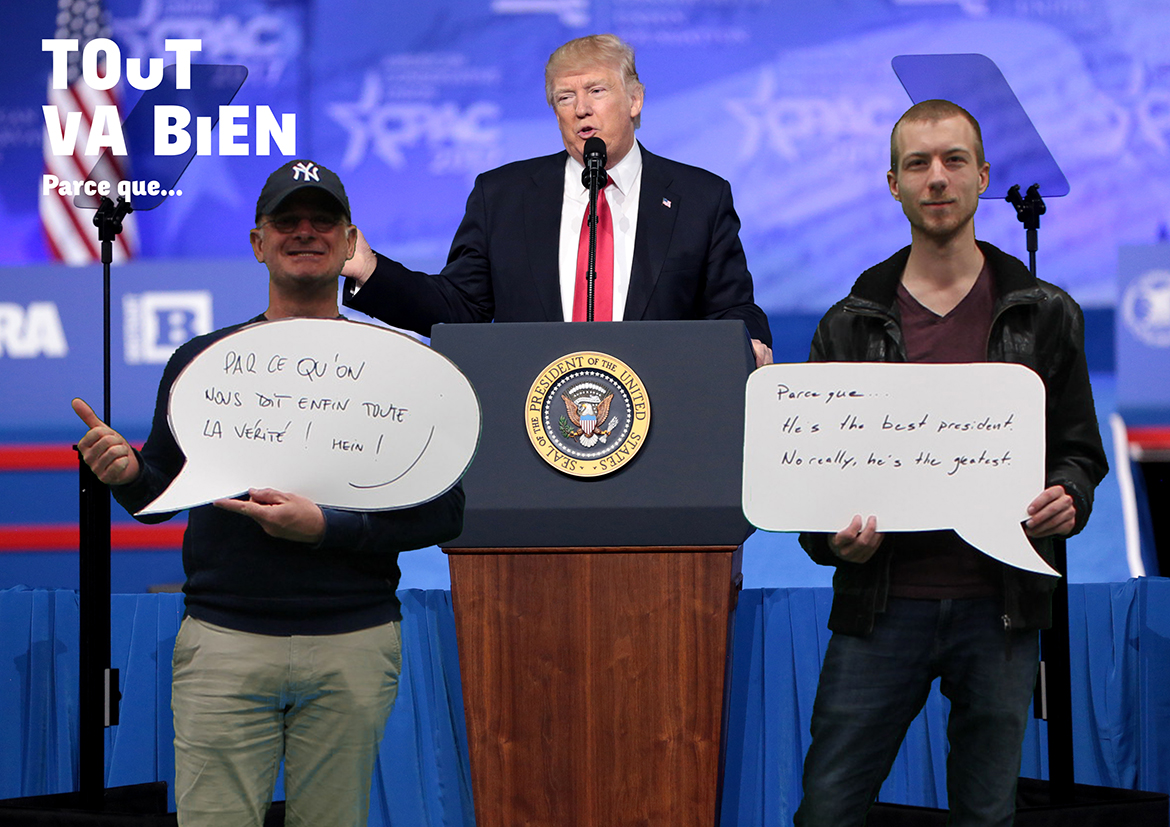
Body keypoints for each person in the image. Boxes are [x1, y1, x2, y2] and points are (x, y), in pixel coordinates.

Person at [72, 158, 465, 827]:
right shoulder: (202, 361)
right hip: (225, 641)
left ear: (349, 241)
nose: (305, 232)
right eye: (287, 221)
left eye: (323, 221)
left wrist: (327, 527)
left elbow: (445, 512)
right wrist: (127, 474)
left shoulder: (401, 367)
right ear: (258, 242)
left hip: (353, 640)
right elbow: (156, 497)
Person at [793, 100, 1108, 826]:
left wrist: (1069, 494)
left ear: (983, 176)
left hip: (1001, 608)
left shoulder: (1045, 312)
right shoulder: (848, 322)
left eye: (954, 160)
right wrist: (831, 541)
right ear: (893, 184)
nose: (937, 178)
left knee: (987, 816)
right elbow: (812, 483)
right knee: (828, 810)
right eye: (917, 164)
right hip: (879, 607)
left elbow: (1079, 450)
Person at [340, 33, 773, 367]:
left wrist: (747, 340)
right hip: (530, 418)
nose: (581, 109)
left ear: (635, 100)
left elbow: (733, 307)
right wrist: (371, 271)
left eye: (597, 91)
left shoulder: (699, 197)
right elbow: (459, 307)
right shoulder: (503, 196)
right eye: (566, 97)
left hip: (664, 415)